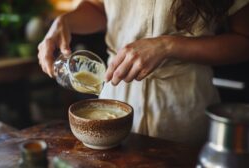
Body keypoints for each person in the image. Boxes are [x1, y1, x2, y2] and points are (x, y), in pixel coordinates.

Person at [38, 0, 249, 145]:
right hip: (116, 92)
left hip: (183, 105)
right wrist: (65, 21)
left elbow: (244, 41)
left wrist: (168, 46)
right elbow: (98, 7)